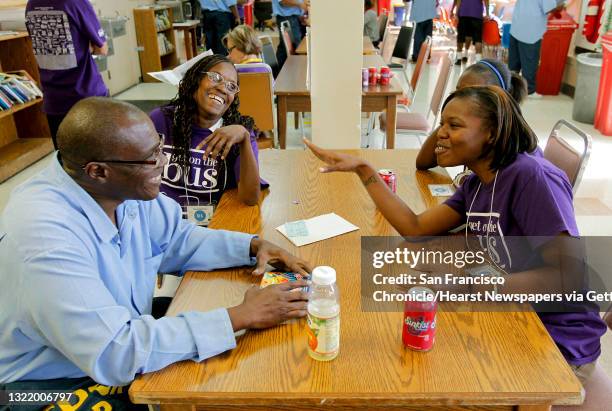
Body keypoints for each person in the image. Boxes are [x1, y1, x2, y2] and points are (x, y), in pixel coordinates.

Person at [0, 97, 311, 409]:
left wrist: (251, 246)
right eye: (149, 159)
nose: (163, 161)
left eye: (158, 146)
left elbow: (176, 239)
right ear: (98, 171)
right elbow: (115, 352)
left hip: (115, 338)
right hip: (45, 385)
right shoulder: (44, 238)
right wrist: (240, 316)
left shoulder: (120, 187)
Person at [304, 86, 607, 384]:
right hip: (507, 314)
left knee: (427, 375)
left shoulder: (531, 177)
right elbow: (415, 228)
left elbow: (569, 276)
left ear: (491, 132)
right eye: (441, 125)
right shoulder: (476, 185)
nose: (441, 134)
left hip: (557, 340)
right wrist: (363, 170)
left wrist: (464, 285)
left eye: (454, 125)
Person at [149, 55, 266, 225]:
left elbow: (250, 198)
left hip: (210, 225)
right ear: (196, 80)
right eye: (215, 78)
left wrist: (245, 139)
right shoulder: (161, 119)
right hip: (160, 222)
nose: (223, 89)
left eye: (231, 86)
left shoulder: (239, 132)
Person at [25, 0, 109, 149]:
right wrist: (86, 47)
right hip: (86, 96)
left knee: (65, 160)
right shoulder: (76, 2)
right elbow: (102, 49)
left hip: (54, 100)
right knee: (98, 156)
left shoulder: (32, 4)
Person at [416, 58, 528, 170]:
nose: (461, 99)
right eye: (459, 92)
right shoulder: (467, 131)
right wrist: (449, 121)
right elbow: (423, 162)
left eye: (473, 94)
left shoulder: (518, 165)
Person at [509, 0, 564, 97]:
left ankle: (511, 88)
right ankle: (529, 91)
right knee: (530, 61)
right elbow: (549, 8)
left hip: (517, 25)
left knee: (514, 63)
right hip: (531, 29)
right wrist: (562, 5)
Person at [272, 0, 308, 70]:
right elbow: (283, 2)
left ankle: (277, 73)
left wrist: (301, 14)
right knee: (295, 49)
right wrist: (301, 4)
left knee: (285, 47)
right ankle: (294, 74)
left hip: (294, 17)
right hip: (287, 17)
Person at [451, 0, 489, 64]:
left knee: (461, 37)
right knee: (478, 39)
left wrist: (456, 13)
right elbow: (486, 1)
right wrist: (487, 14)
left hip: (463, 13)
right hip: (477, 15)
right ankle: (478, 61)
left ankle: (459, 59)